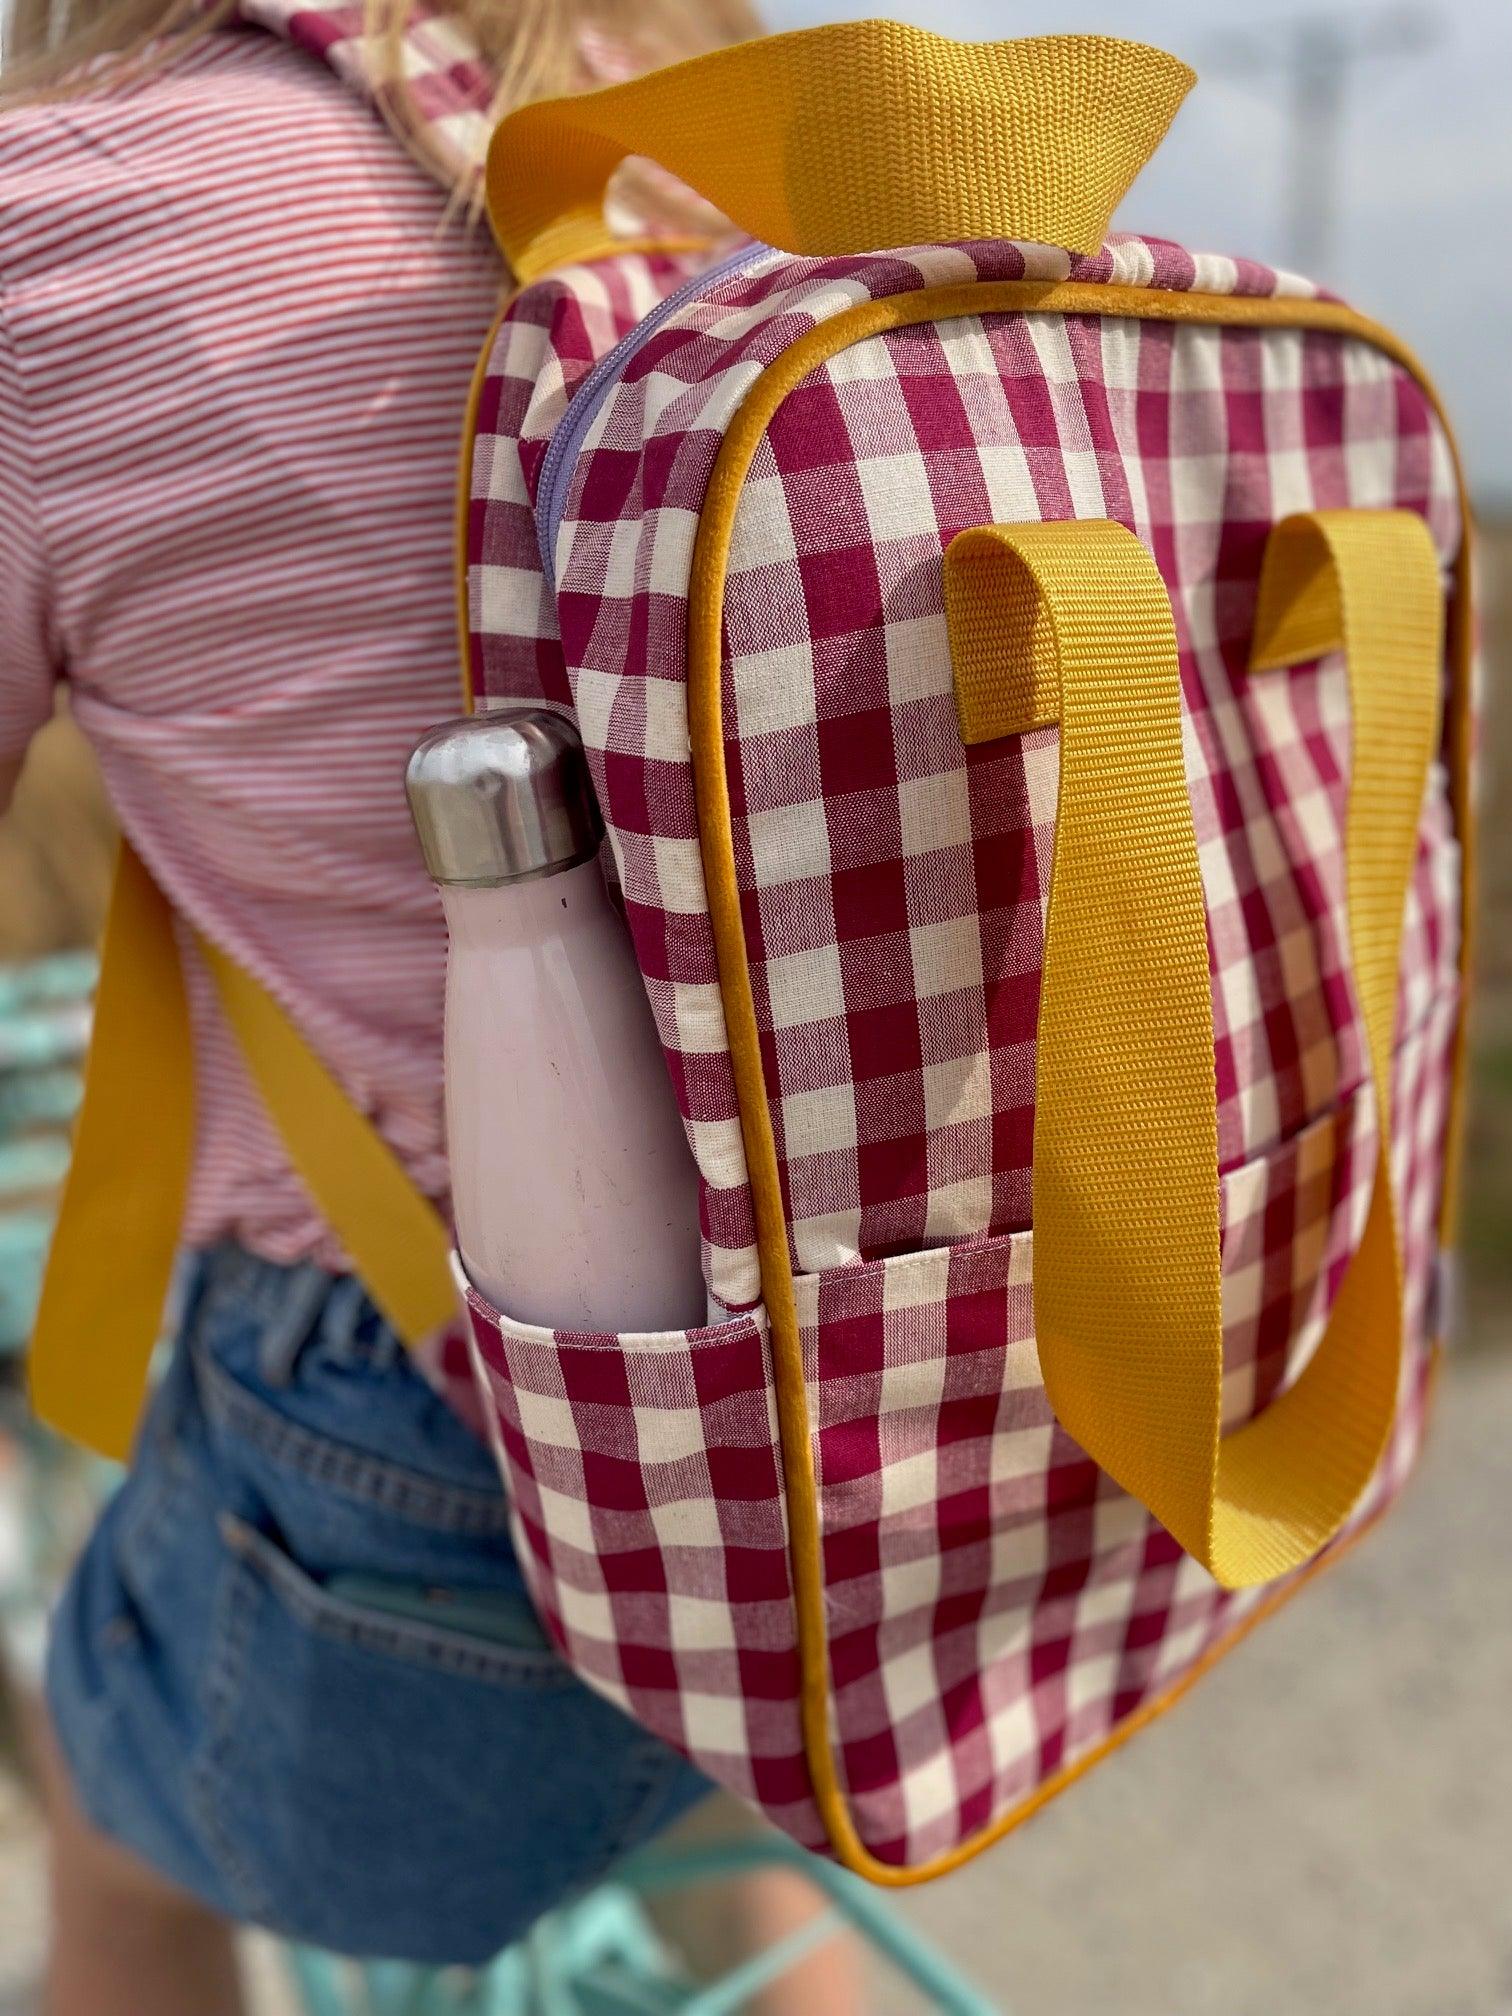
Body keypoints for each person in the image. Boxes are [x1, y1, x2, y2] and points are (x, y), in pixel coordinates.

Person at [0, 1, 865, 2009]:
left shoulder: (64, 208)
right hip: (942, 1415)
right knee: (728, 1819)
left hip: (458, 1471)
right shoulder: (732, 140)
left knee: (110, 1812)